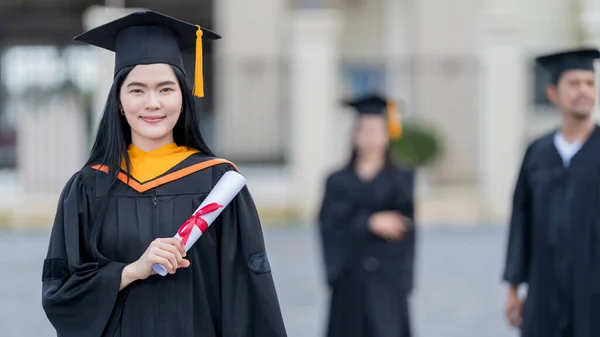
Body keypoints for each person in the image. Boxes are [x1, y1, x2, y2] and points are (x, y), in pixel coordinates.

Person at [41, 10, 288, 337]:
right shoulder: (88, 188)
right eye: (137, 90)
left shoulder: (219, 185)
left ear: (183, 98)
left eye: (166, 89)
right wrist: (129, 271)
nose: (153, 103)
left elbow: (250, 294)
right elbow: (61, 292)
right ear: (118, 100)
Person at [503, 47, 600, 337]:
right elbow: (521, 220)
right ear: (553, 93)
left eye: (589, 83)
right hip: (544, 290)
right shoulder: (537, 153)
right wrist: (512, 287)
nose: (583, 91)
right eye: (573, 84)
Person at [317, 93, 416, 337]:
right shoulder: (337, 181)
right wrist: (369, 222)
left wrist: (404, 279)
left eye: (376, 130)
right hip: (349, 280)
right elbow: (329, 224)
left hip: (388, 281)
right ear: (354, 135)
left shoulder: (401, 180)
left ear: (387, 135)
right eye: (364, 130)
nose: (370, 138)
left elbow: (407, 229)